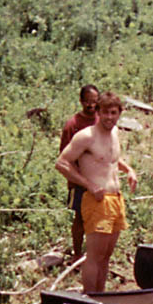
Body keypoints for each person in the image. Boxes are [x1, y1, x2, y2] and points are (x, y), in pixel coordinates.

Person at [55, 91, 137, 293]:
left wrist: (129, 170)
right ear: (97, 112)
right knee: (94, 256)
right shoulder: (86, 137)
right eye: (105, 113)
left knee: (106, 256)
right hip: (96, 200)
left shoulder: (115, 133)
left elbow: (111, 160)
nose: (109, 117)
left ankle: (101, 299)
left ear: (119, 113)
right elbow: (61, 163)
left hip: (115, 199)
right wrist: (89, 185)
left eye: (114, 113)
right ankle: (90, 299)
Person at [59, 84, 99, 257]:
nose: (91, 105)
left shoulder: (101, 121)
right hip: (79, 180)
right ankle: (77, 253)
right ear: (81, 101)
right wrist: (78, 178)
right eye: (87, 101)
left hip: (99, 179)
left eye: (94, 101)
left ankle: (93, 253)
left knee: (97, 218)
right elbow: (64, 156)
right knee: (80, 218)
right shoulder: (73, 125)